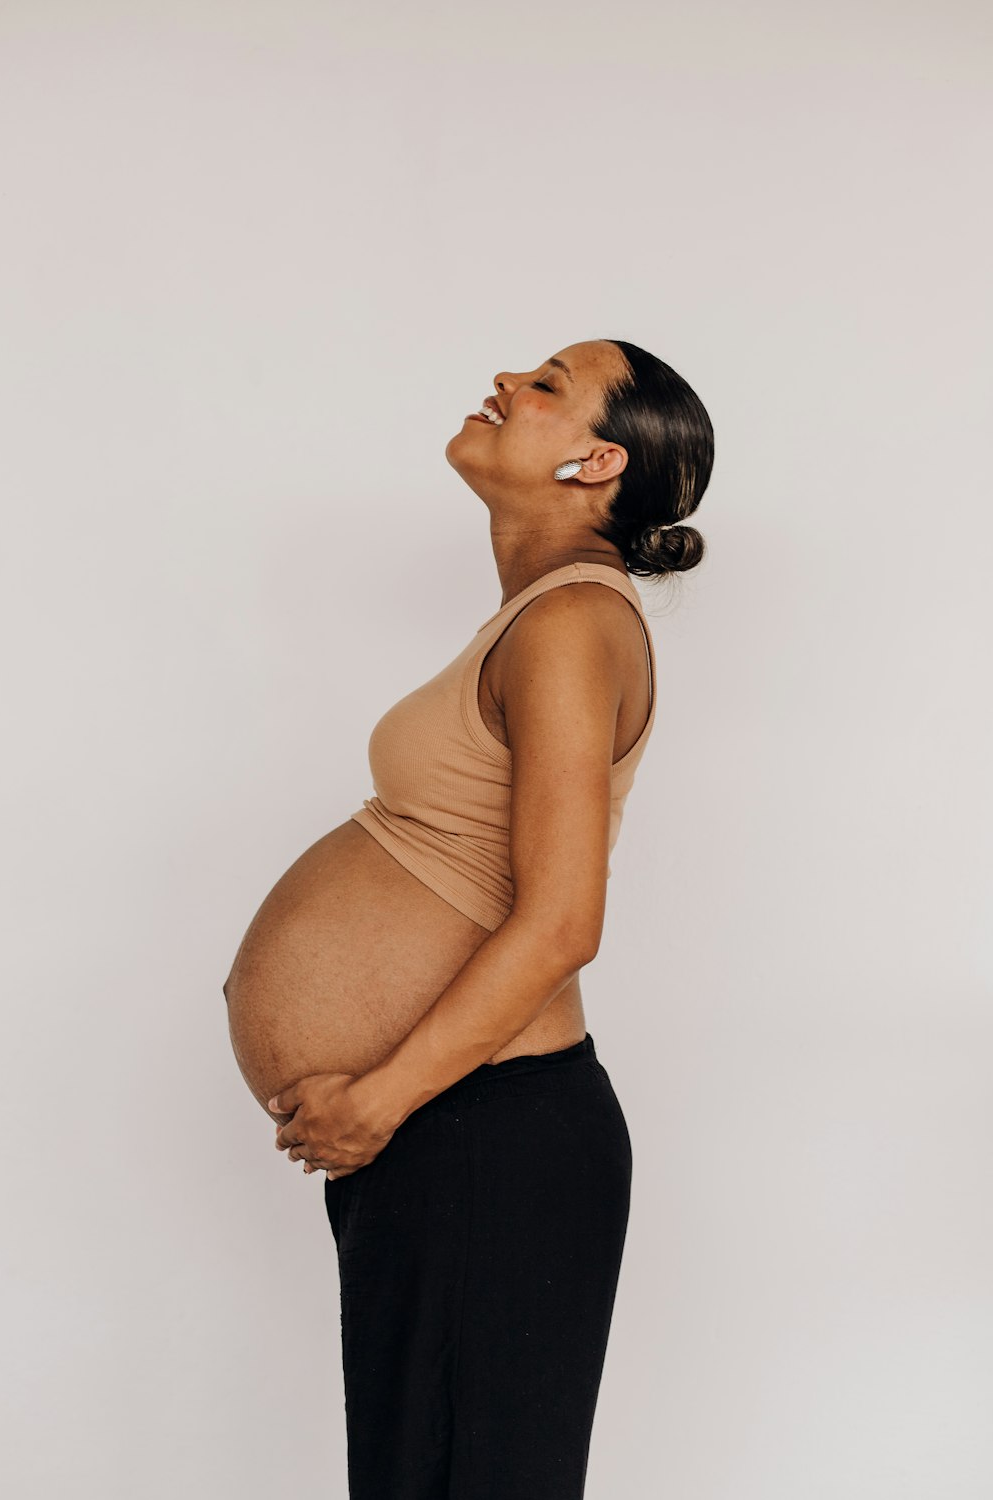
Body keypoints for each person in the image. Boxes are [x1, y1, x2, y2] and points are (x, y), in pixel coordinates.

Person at [226, 336, 714, 1498]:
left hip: (476, 1130)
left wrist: (375, 1102)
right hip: (450, 1135)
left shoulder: (569, 624)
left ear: (597, 460)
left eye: (546, 384)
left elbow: (560, 922)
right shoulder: (540, 618)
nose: (505, 381)